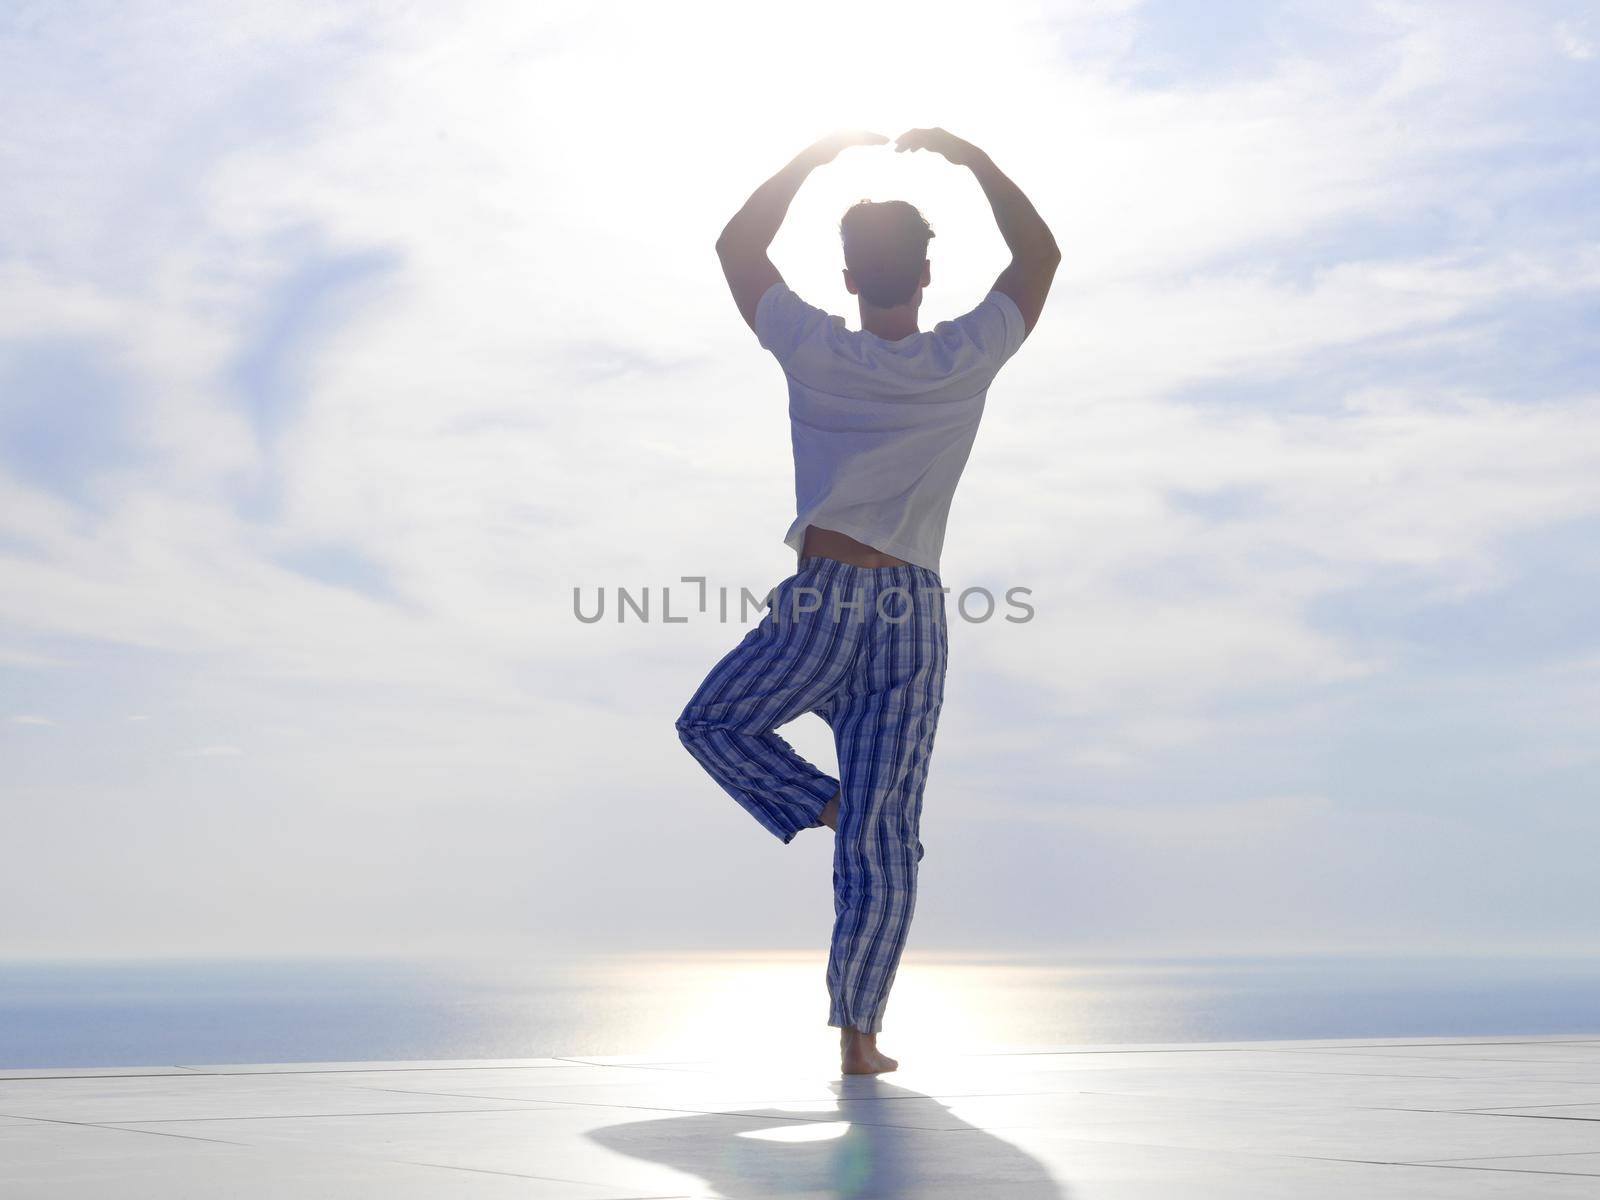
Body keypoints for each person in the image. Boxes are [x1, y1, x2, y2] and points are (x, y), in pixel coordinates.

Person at [675, 128, 1059, 1075]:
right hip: (914, 619)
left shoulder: (813, 346)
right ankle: (860, 1038)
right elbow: (1040, 255)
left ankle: (828, 804)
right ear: (926, 277)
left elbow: (735, 248)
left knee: (715, 724)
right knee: (887, 841)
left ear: (848, 278)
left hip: (826, 603)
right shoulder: (964, 356)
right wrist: (968, 159)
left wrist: (812, 161)